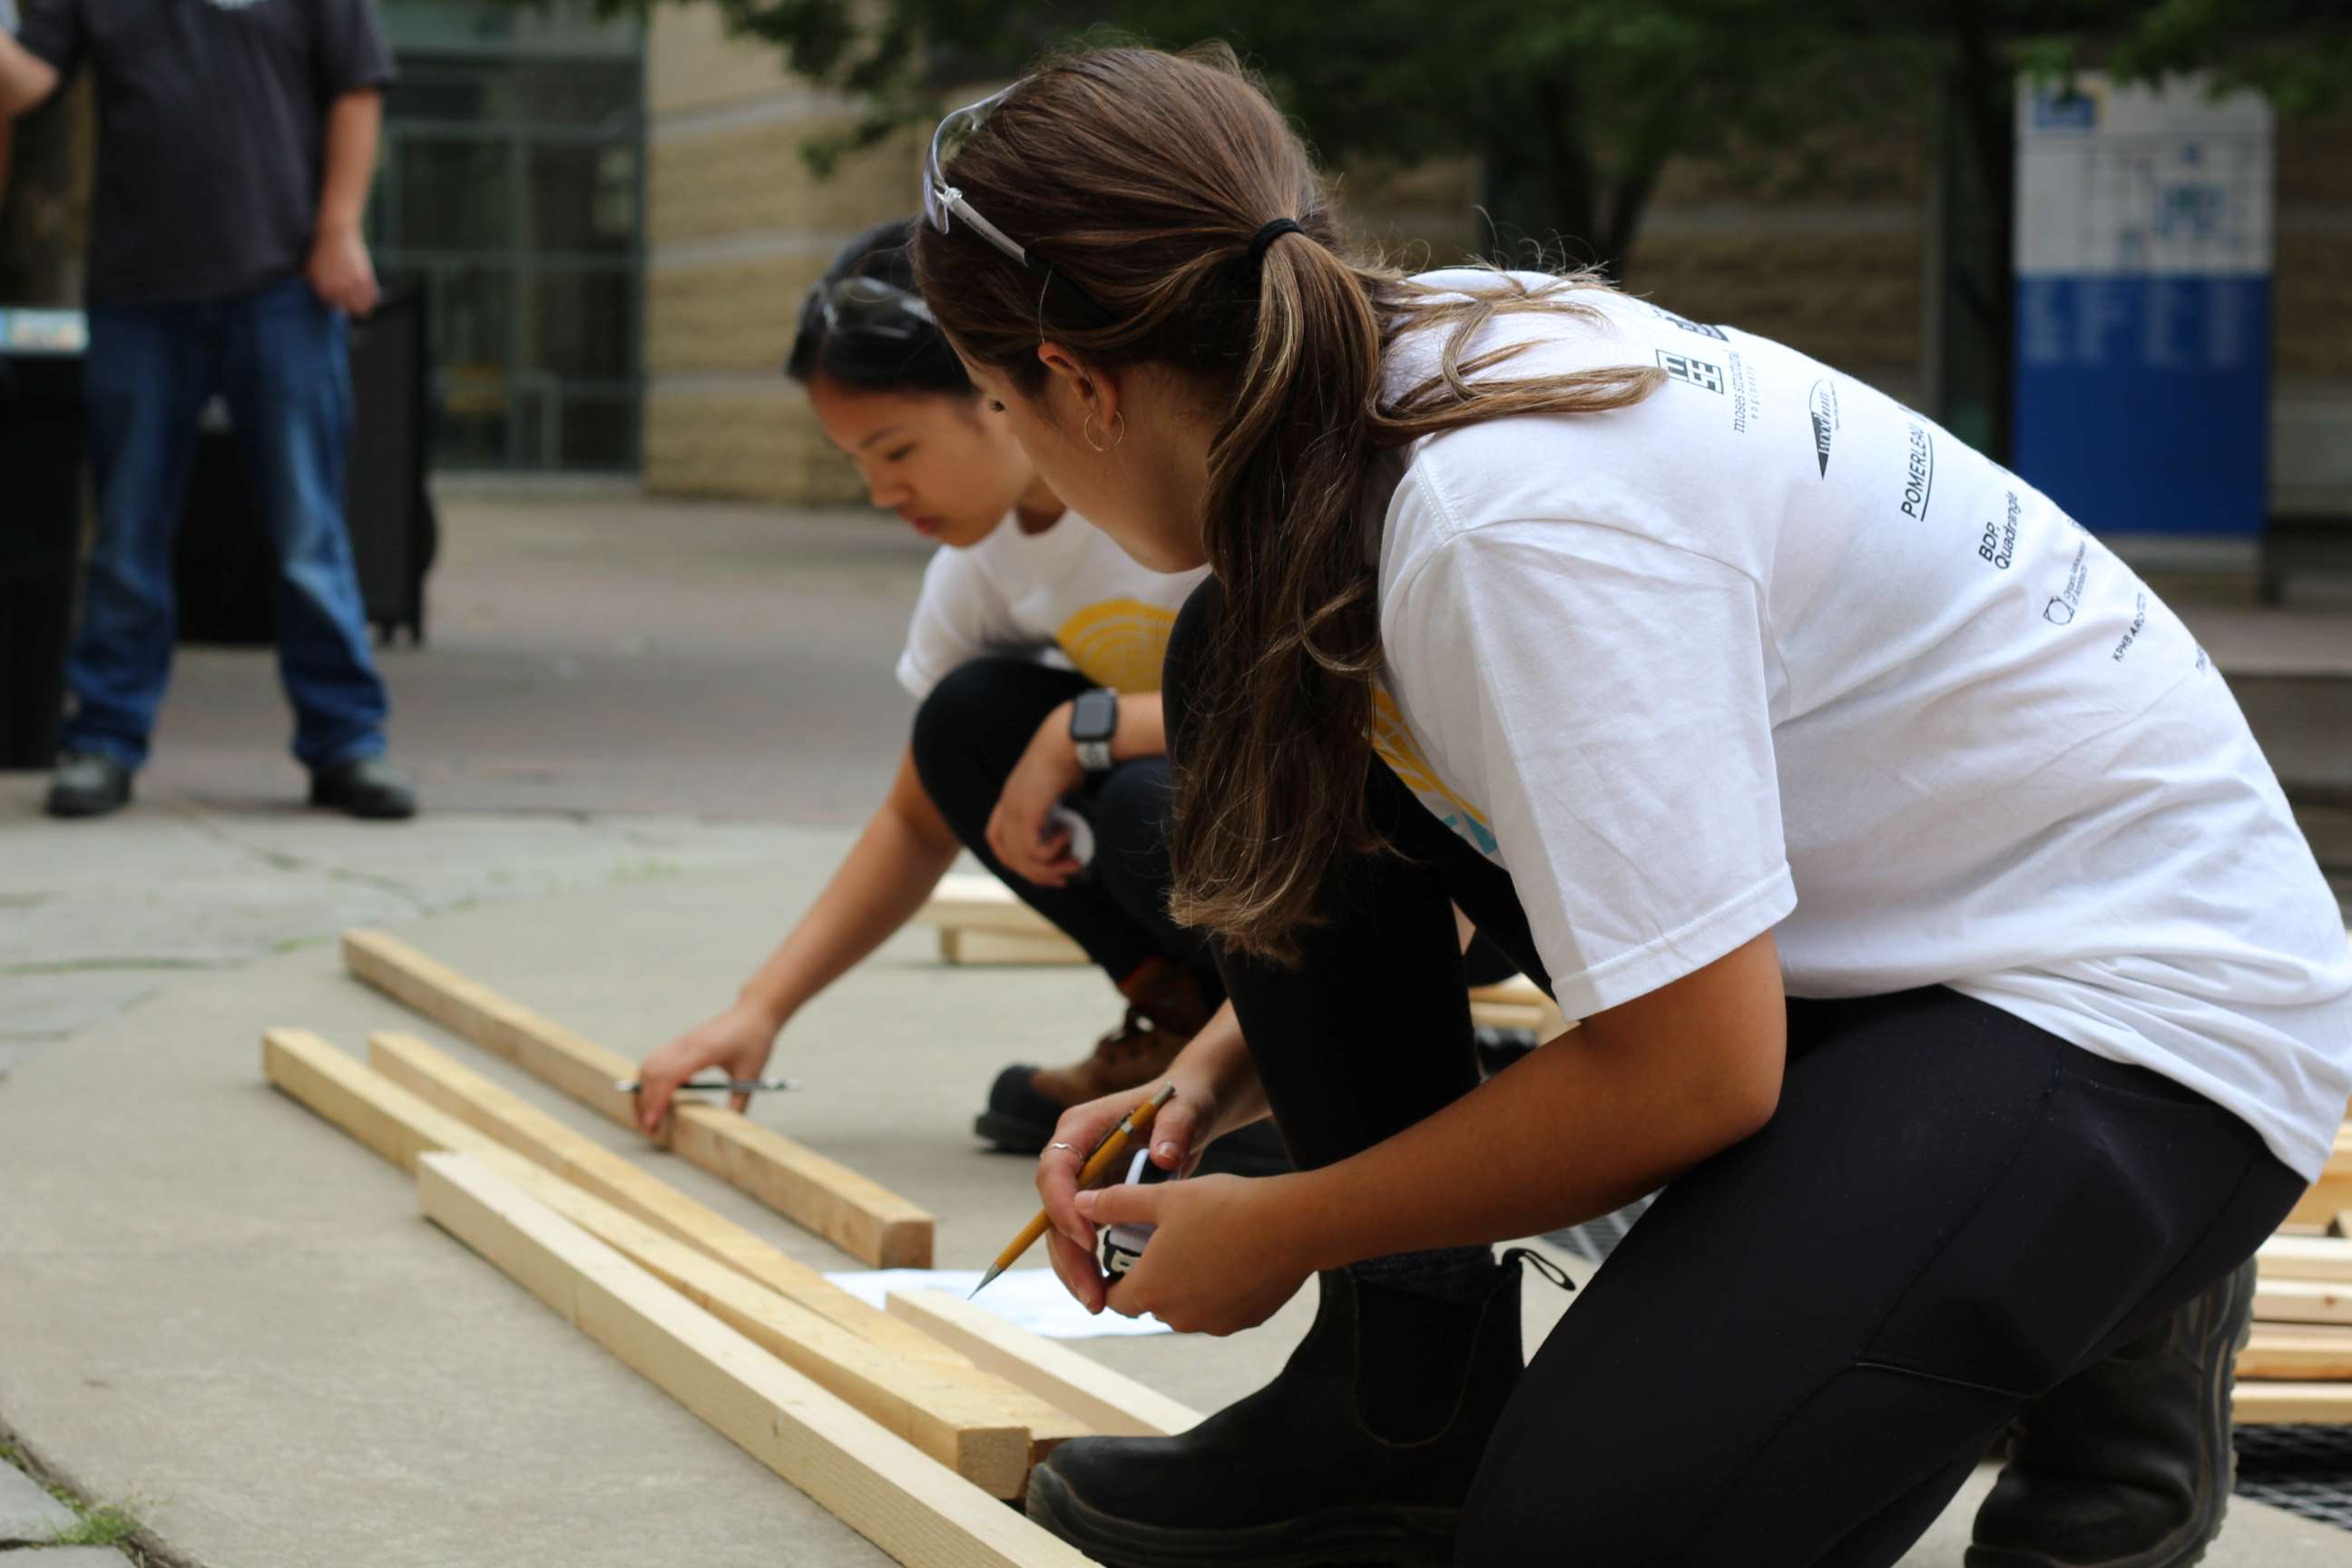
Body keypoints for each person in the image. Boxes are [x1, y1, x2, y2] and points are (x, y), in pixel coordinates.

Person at [911, 44, 2352, 1568]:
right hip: (1897, 921)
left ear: (1081, 383)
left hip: (2123, 1004)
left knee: (1582, 1543)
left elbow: (1689, 1077)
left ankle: (2115, 1305)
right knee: (1240, 658)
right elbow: (1531, 836)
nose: (1018, 442)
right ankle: (1395, 1421)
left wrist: (1292, 1220)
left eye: (999, 400)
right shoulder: (1377, 374)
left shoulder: (1502, 524)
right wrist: (1216, 1075)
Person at [632, 221, 1287, 1171]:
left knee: (1148, 803)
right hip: (1224, 839)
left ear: (995, 384)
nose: (880, 491)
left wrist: (1085, 730)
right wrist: (759, 1008)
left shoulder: (1191, 477)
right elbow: (916, 817)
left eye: (895, 449)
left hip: (1380, 875)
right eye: (856, 461)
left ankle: (1299, 1072)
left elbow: (1330, 714)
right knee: (967, 720)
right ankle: (1189, 1033)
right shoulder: (982, 561)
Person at [0, 0, 415, 820]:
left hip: (285, 288)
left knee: (308, 533)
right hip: (139, 299)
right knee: (126, 533)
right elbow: (24, 85)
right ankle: (104, 741)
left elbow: (357, 87)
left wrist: (339, 228)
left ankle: (346, 743)